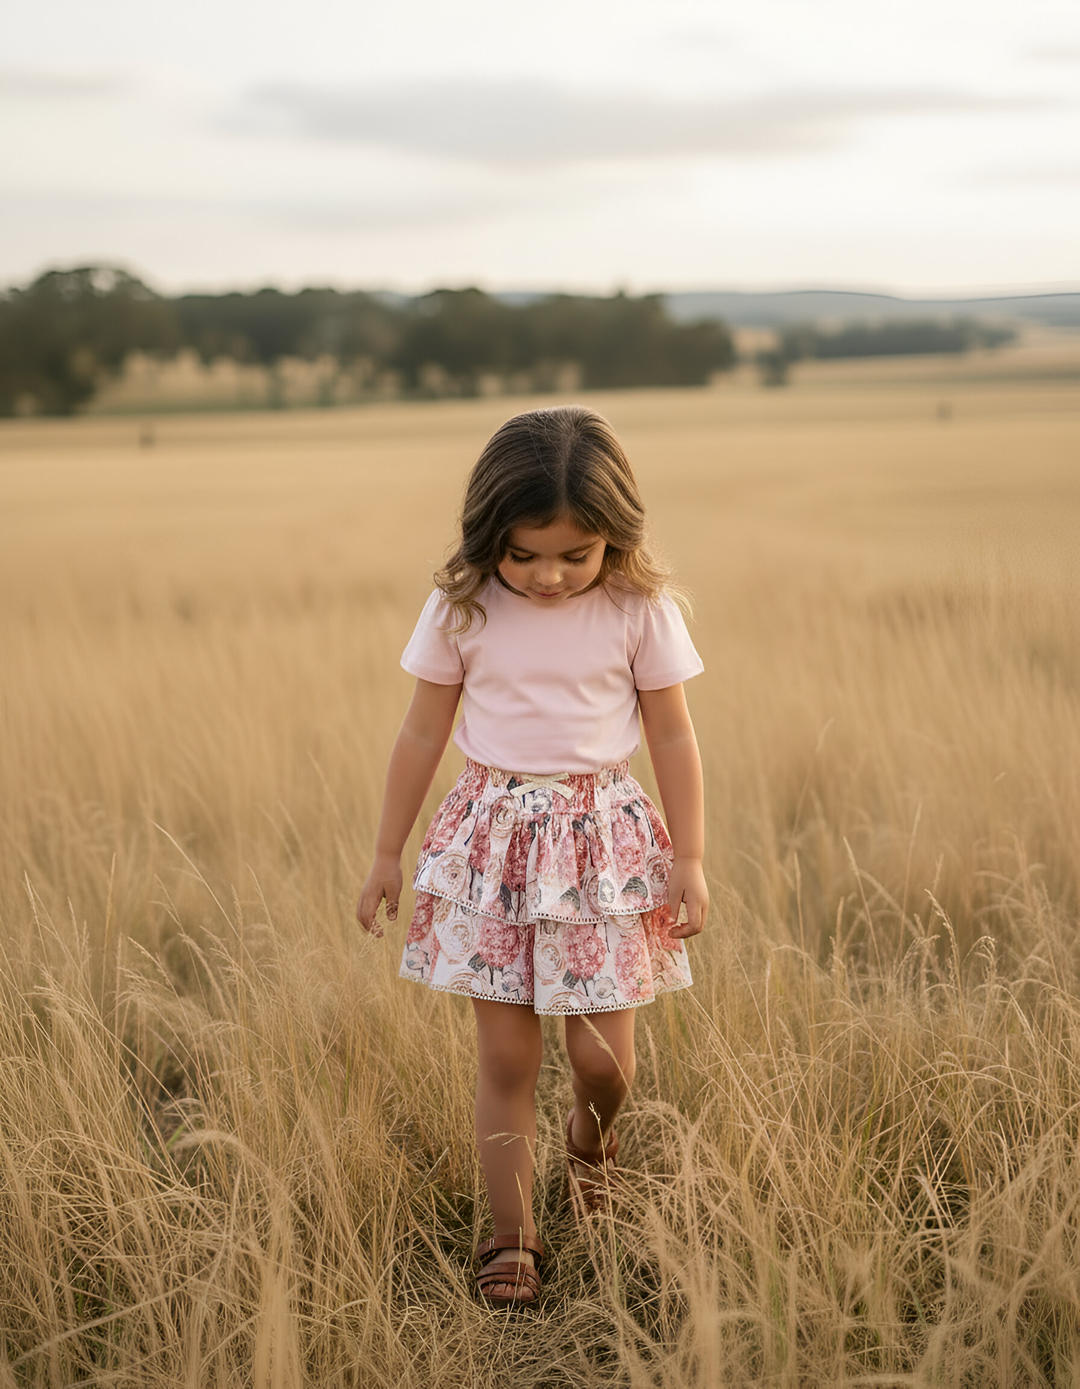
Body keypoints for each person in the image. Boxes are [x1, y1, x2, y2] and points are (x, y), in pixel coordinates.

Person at [357, 405, 707, 1307]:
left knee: (601, 1064)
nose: (548, 574)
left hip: (603, 848)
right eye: (524, 553)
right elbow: (422, 728)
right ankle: (513, 1235)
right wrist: (387, 852)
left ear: (613, 539)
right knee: (508, 1060)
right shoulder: (463, 605)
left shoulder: (638, 607)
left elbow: (672, 736)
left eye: (574, 553)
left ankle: (592, 1148)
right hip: (492, 847)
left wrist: (691, 856)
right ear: (489, 537)